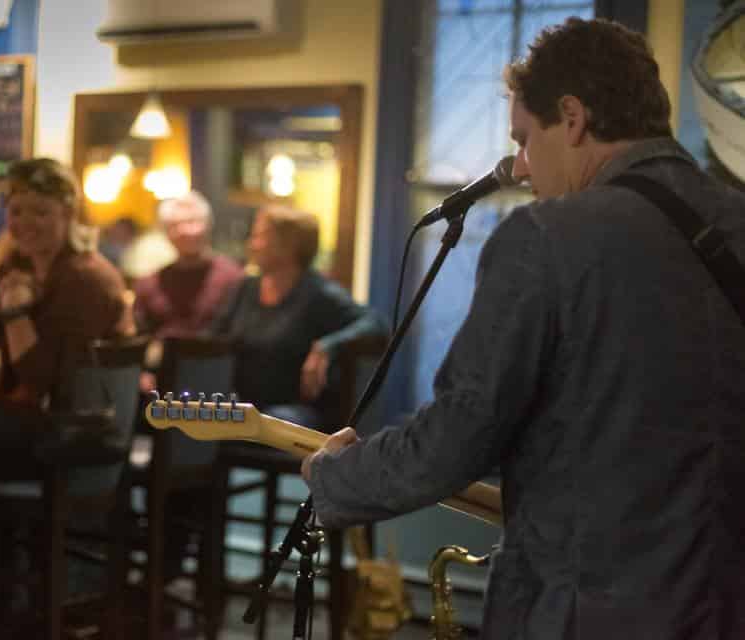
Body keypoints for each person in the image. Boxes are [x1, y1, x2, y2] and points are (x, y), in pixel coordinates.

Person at [302, 17, 745, 639]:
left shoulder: (548, 237)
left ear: (572, 116)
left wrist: (335, 476)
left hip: (586, 612)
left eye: (525, 139)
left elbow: (459, 434)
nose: (524, 169)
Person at [0, 157, 131, 481]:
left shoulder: (85, 278)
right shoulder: (19, 267)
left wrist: (16, 314)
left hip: (72, 436)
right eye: (16, 211)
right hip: (37, 424)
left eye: (40, 211)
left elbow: (40, 382)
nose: (25, 222)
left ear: (68, 214)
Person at [211, 204, 387, 429]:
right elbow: (214, 337)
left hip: (294, 412)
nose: (251, 244)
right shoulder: (246, 288)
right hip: (241, 404)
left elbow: (376, 323)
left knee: (266, 424)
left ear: (288, 245)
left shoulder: (318, 293)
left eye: (260, 236)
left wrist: (327, 346)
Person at [133, 190, 243, 339]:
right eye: (176, 224)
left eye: (193, 222)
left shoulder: (233, 278)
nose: (187, 231)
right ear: (166, 232)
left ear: (208, 226)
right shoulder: (149, 284)